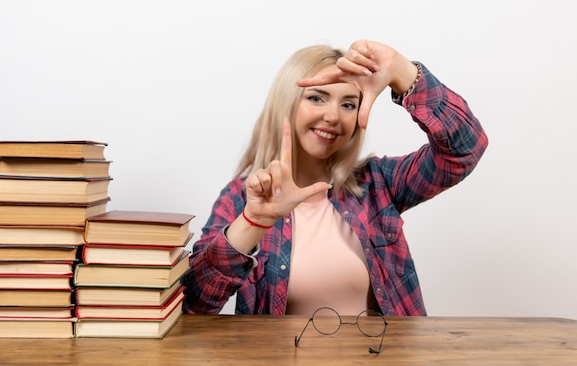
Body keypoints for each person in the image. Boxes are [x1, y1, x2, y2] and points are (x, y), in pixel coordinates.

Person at [181, 39, 488, 316]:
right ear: (286, 104)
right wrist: (253, 222)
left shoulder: (378, 184)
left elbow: (465, 149)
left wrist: (403, 72)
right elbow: (194, 303)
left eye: (348, 104)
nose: (333, 116)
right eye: (316, 98)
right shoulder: (240, 198)